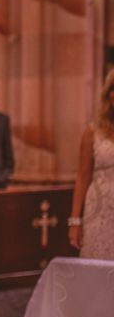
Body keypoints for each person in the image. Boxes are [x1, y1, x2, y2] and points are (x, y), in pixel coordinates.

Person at [68, 69, 114, 259]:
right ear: (109, 95)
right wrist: (75, 220)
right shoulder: (92, 132)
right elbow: (82, 177)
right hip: (99, 211)